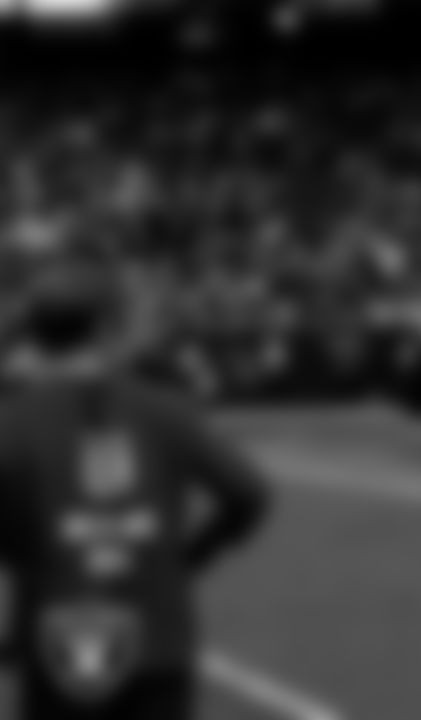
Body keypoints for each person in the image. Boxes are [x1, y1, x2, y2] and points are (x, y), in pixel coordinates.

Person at [0, 262, 273, 720]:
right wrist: (188, 556)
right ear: (106, 329)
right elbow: (248, 493)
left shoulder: (14, 422)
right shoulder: (166, 409)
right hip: (156, 635)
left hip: (55, 636)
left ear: (33, 335)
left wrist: (27, 554)